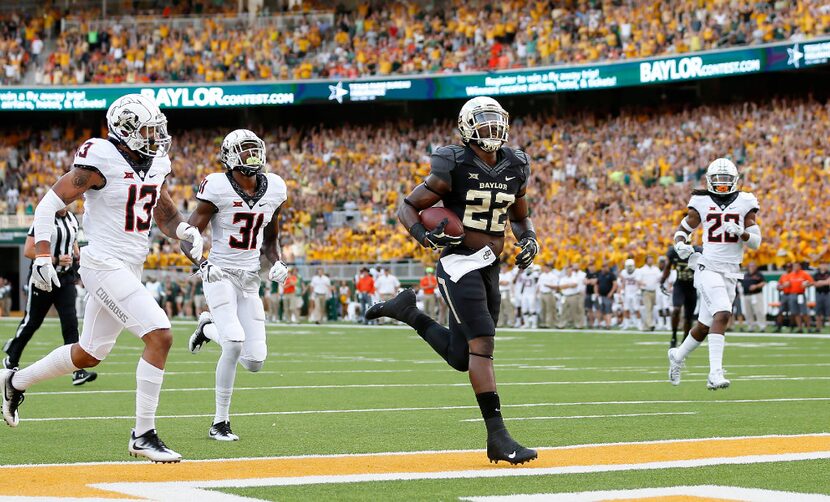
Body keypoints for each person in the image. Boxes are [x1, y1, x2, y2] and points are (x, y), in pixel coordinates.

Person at [1, 94, 204, 462]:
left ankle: (14, 381)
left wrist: (186, 231)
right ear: (125, 130)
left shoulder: (155, 162)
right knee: (160, 334)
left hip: (130, 266)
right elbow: (50, 202)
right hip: (101, 261)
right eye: (146, 129)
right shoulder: (100, 156)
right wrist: (43, 254)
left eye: (156, 129)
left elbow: (166, 214)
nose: (155, 136)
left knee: (90, 353)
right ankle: (143, 434)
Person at [365, 96, 538, 464]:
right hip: (460, 264)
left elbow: (520, 214)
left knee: (463, 357)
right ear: (466, 128)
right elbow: (407, 206)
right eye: (484, 121)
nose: (492, 127)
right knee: (483, 343)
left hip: (491, 264)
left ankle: (408, 312)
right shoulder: (453, 162)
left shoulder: (516, 164)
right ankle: (498, 437)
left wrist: (529, 238)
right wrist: (421, 234)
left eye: (496, 120)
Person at [184, 129, 288, 441]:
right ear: (230, 156)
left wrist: (279, 261)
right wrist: (203, 264)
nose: (251, 155)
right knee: (233, 342)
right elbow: (189, 234)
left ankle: (206, 328)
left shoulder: (275, 188)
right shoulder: (217, 186)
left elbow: (270, 238)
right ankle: (220, 422)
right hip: (220, 272)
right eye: (244, 150)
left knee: (255, 361)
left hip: (249, 277)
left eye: (254, 149)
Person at [668, 158, 762, 390]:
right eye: (717, 180)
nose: (721, 185)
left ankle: (677, 356)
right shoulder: (699, 200)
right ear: (709, 180)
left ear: (735, 181)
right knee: (723, 313)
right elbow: (683, 230)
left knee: (705, 326)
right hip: (707, 266)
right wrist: (680, 244)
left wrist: (742, 233)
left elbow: (756, 243)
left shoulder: (745, 200)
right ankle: (715, 373)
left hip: (731, 271)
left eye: (725, 180)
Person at [2, 207, 96, 386]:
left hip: (65, 279)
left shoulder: (72, 219)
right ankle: (12, 358)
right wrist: (55, 259)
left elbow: (73, 242)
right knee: (32, 322)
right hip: (43, 278)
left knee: (71, 324)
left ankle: (77, 371)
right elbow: (28, 251)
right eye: (63, 200)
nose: (66, 204)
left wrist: (77, 255)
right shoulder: (44, 220)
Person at [661, 244, 702, 347]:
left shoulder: (697, 251)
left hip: (692, 286)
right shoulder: (673, 252)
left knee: (688, 317)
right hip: (679, 285)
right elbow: (667, 267)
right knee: (676, 309)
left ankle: (684, 340)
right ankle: (674, 336)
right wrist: (662, 281)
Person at [777, 262, 813, 333]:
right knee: (795, 312)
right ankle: (800, 328)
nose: (795, 267)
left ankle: (809, 328)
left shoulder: (804, 274)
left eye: (797, 266)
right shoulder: (790, 275)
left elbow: (811, 282)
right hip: (792, 294)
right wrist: (783, 286)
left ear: (800, 266)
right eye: (794, 266)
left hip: (800, 294)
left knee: (804, 312)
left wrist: (806, 285)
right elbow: (784, 284)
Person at [740, 261, 767, 332]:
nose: (751, 267)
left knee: (759, 311)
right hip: (746, 295)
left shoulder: (759, 274)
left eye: (753, 266)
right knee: (748, 311)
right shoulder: (746, 275)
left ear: (756, 267)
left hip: (756, 295)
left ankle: (762, 326)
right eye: (750, 266)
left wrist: (756, 286)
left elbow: (764, 282)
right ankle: (750, 326)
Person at [638, 256, 662, 331]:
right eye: (649, 259)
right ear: (646, 261)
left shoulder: (656, 269)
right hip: (646, 291)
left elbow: (659, 277)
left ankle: (646, 326)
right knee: (648, 308)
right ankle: (651, 324)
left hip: (654, 290)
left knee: (651, 308)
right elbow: (638, 280)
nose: (651, 261)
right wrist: (643, 283)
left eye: (652, 259)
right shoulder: (642, 269)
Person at [618, 259, 642, 330]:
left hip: (635, 293)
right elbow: (623, 282)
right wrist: (622, 290)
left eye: (630, 266)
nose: (629, 268)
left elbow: (638, 281)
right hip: (627, 292)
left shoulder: (637, 272)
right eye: (628, 266)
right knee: (626, 309)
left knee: (637, 308)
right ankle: (626, 324)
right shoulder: (624, 272)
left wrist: (638, 290)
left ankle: (639, 324)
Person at [537, 263, 559, 329]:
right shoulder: (542, 275)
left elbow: (555, 286)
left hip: (549, 294)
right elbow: (539, 285)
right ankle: (543, 323)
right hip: (542, 293)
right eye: (544, 268)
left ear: (550, 268)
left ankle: (548, 323)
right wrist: (537, 293)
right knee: (543, 309)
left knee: (549, 309)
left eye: (546, 268)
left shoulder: (553, 276)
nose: (545, 269)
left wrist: (548, 285)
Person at [596, 263, 617, 329]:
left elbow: (615, 285)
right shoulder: (600, 275)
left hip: (608, 295)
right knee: (603, 311)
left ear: (608, 267)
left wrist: (611, 293)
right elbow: (597, 284)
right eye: (603, 267)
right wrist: (596, 292)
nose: (604, 268)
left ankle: (609, 324)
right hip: (601, 296)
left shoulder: (611, 275)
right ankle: (606, 324)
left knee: (608, 310)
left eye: (605, 267)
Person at [813, 263, 830, 332]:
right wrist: (822, 283)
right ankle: (818, 328)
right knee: (818, 312)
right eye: (822, 264)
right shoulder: (816, 274)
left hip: (827, 293)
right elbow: (814, 283)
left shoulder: (829, 273)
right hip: (819, 293)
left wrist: (820, 282)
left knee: (829, 311)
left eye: (825, 264)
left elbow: (828, 283)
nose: (823, 266)